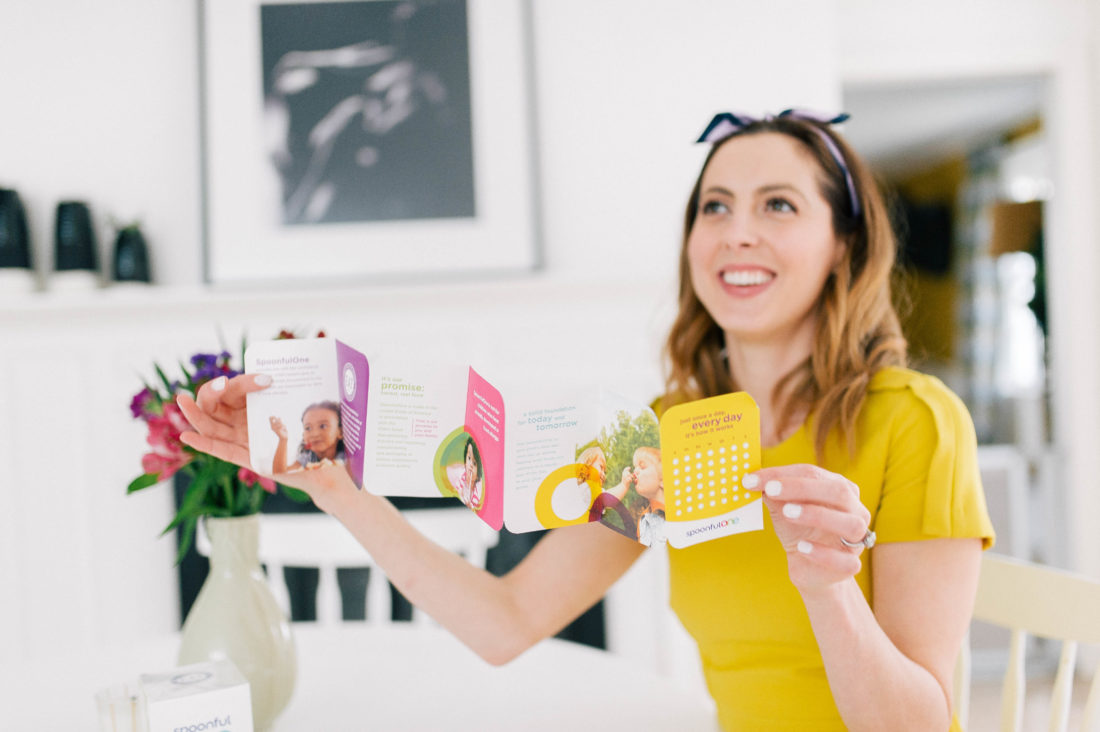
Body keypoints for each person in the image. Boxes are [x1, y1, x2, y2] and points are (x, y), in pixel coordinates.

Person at [178, 108, 994, 730]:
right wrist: (336, 488)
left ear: (844, 245)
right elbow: (507, 622)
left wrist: (829, 587)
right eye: (714, 207)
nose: (737, 232)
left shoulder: (915, 422)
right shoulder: (668, 434)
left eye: (778, 206)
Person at [269, 401, 346, 473]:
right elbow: (281, 475)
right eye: (308, 428)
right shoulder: (308, 458)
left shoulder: (347, 460)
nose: (315, 434)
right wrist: (283, 439)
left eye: (323, 426)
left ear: (340, 432)